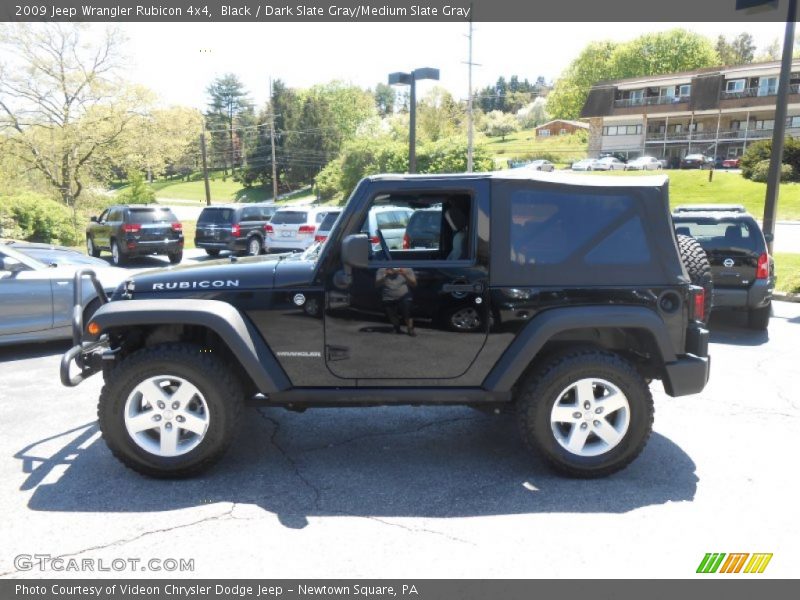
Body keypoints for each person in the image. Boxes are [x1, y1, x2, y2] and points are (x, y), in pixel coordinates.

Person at [375, 267, 417, 336]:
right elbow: (377, 285)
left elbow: (414, 284)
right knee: (392, 314)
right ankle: (396, 327)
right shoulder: (381, 270)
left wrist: (404, 275)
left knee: (407, 311)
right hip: (388, 296)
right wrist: (385, 275)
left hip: (404, 295)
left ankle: (410, 329)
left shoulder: (408, 269)